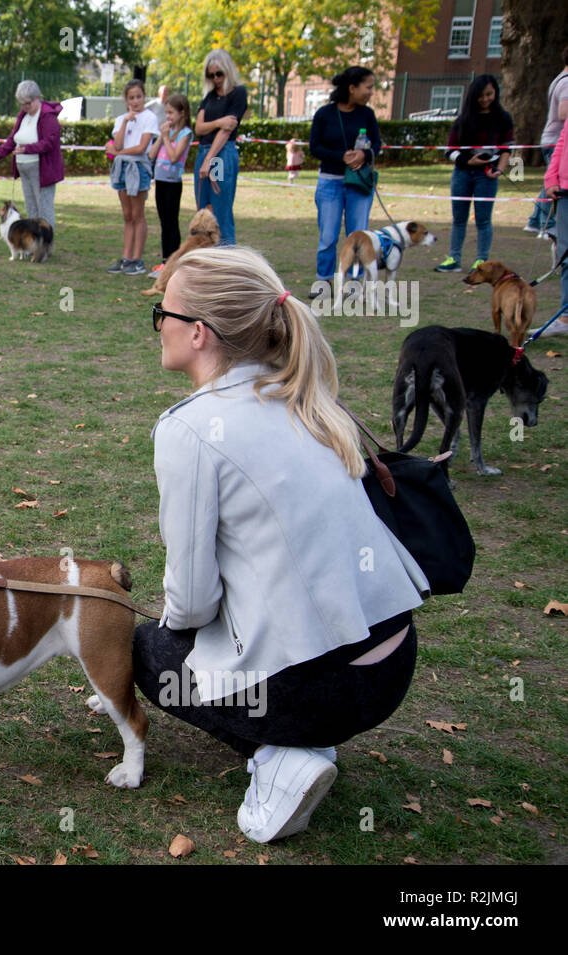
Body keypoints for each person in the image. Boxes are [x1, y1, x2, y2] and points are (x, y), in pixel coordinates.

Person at [136, 245, 428, 843]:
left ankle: (283, 755)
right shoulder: (308, 397)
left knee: (149, 652)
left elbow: (190, 602)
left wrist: (171, 626)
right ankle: (305, 735)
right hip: (394, 662)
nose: (156, 326)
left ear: (198, 333)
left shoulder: (188, 428)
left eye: (161, 313)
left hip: (323, 687)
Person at [307, 67, 382, 298]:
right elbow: (314, 147)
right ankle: (324, 280)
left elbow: (377, 145)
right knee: (328, 235)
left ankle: (355, 281)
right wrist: (340, 156)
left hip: (358, 183)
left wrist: (364, 155)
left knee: (357, 234)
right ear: (352, 88)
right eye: (368, 87)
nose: (371, 92)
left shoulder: (367, 115)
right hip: (330, 182)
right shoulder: (324, 114)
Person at [435, 74, 513, 273]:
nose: (485, 99)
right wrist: (467, 160)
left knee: (483, 219)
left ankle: (481, 261)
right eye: (481, 95)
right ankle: (453, 258)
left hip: (487, 175)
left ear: (495, 93)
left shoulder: (503, 119)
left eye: (489, 94)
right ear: (474, 96)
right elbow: (450, 150)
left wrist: (499, 170)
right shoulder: (464, 119)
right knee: (459, 218)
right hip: (463, 173)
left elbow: (506, 149)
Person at [0, 80, 64, 229]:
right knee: (31, 208)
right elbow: (13, 139)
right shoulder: (23, 115)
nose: (24, 107)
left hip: (42, 170)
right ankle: (34, 244)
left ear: (37, 98)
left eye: (27, 103)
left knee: (44, 209)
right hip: (25, 169)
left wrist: (26, 149)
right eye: (21, 104)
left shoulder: (48, 116)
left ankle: (45, 247)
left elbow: (49, 142)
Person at [105, 79, 159, 275]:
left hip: (138, 167)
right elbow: (117, 144)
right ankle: (126, 257)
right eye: (131, 98)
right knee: (127, 216)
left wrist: (117, 153)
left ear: (144, 97)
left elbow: (141, 148)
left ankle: (137, 259)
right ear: (126, 100)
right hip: (122, 168)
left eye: (139, 97)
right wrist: (126, 121)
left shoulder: (149, 118)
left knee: (138, 215)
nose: (136, 101)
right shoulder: (121, 119)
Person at [193, 49, 247, 246]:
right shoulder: (209, 97)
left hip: (220, 155)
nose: (215, 78)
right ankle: (205, 257)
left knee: (221, 210)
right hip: (204, 151)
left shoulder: (238, 93)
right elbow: (199, 128)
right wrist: (218, 122)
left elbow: (227, 131)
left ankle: (225, 260)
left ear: (227, 70)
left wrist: (210, 160)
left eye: (219, 74)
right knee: (202, 212)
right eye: (211, 74)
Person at [524, 46, 568, 239]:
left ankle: (535, 220)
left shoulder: (559, 78)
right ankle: (545, 224)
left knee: (550, 183)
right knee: (553, 184)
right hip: (557, 140)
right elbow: (564, 113)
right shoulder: (567, 83)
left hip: (551, 138)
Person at [149, 92, 193, 273]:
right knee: (163, 222)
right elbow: (151, 154)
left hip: (173, 182)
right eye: (166, 113)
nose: (168, 117)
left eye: (171, 113)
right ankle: (166, 261)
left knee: (171, 222)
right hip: (160, 180)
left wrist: (167, 138)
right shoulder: (167, 132)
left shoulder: (185, 133)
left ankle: (174, 262)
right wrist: (161, 136)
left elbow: (174, 157)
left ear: (182, 113)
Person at [540, 113, 568, 337]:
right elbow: (562, 143)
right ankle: (566, 317)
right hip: (564, 193)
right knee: (565, 255)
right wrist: (551, 179)